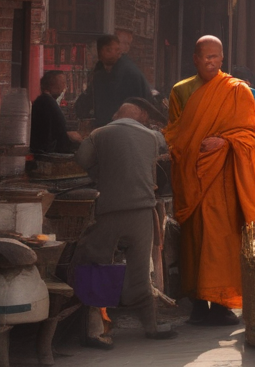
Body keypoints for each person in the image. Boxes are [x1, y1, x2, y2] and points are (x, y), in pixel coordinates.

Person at [165, 35, 255, 327]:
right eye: (205, 57)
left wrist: (225, 141)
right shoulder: (181, 90)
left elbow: (249, 135)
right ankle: (197, 303)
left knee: (222, 241)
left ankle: (222, 304)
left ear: (223, 59)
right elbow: (173, 134)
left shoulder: (236, 90)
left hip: (225, 180)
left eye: (216, 57)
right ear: (195, 59)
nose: (210, 62)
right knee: (195, 240)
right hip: (194, 176)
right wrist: (191, 148)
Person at [74, 100, 175, 342]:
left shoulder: (99, 133)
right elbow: (164, 155)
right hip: (142, 211)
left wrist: (101, 170)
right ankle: (150, 326)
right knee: (140, 271)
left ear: (116, 115)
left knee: (95, 262)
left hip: (110, 210)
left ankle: (95, 329)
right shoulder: (153, 137)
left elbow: (81, 160)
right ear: (140, 116)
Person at [75, 34, 153, 129]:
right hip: (116, 127)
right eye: (111, 49)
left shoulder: (125, 72)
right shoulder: (104, 71)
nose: (117, 52)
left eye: (117, 49)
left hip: (123, 128)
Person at [30, 71, 81, 156]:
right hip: (47, 153)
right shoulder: (47, 102)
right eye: (62, 83)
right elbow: (60, 131)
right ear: (52, 85)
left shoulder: (44, 101)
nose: (64, 87)